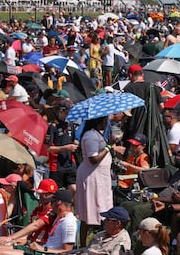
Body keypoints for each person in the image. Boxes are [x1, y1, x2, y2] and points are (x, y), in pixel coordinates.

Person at [75, 116, 124, 246]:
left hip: (101, 177)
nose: (106, 123)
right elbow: (93, 159)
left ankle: (104, 241)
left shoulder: (97, 134)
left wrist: (110, 142)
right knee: (88, 210)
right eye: (104, 121)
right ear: (99, 121)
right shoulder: (90, 135)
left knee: (104, 207)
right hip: (92, 177)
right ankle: (83, 244)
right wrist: (108, 147)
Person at [0, 179, 59, 255]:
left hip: (40, 246)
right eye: (39, 194)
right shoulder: (38, 209)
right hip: (30, 243)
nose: (41, 197)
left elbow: (35, 226)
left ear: (53, 196)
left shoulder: (52, 211)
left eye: (45, 195)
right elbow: (29, 231)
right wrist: (15, 240)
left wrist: (11, 238)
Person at [45, 100, 78, 193]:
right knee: (57, 194)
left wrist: (78, 144)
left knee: (75, 191)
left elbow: (73, 141)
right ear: (61, 111)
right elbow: (49, 149)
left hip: (70, 164)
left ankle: (76, 207)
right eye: (68, 112)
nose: (70, 114)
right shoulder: (52, 126)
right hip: (57, 166)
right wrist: (66, 148)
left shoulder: (70, 124)